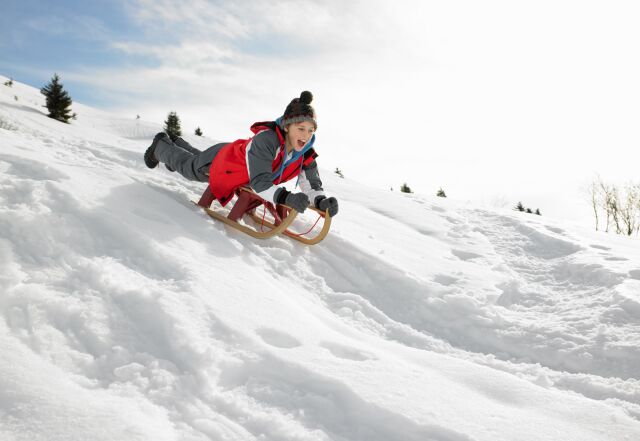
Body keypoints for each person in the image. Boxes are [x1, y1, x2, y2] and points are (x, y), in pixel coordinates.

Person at [144, 91, 339, 217]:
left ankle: (177, 143)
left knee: (195, 159)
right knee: (191, 168)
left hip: (239, 165)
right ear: (287, 126)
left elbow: (311, 183)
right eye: (301, 128)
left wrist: (321, 201)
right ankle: (160, 146)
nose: (306, 136)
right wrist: (287, 198)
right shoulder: (267, 140)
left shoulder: (305, 153)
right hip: (224, 161)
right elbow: (260, 183)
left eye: (311, 130)